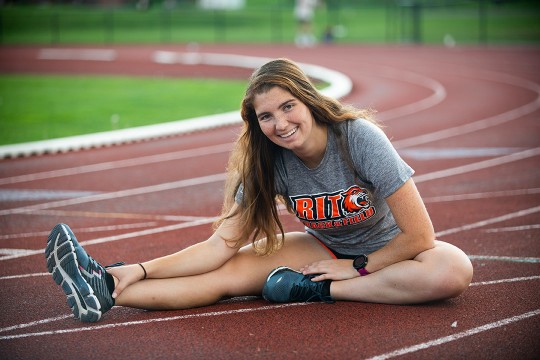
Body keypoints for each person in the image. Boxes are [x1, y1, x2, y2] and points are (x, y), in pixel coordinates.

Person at [45, 58, 473, 323]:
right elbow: (219, 247)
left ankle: (315, 291)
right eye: (266, 116)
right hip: (322, 250)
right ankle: (103, 290)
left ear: (308, 101)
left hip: (390, 250)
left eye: (288, 107)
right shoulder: (267, 161)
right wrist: (138, 269)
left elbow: (420, 237)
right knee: (225, 276)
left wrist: (356, 268)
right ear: (257, 124)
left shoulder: (358, 138)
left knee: (452, 269)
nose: (280, 123)